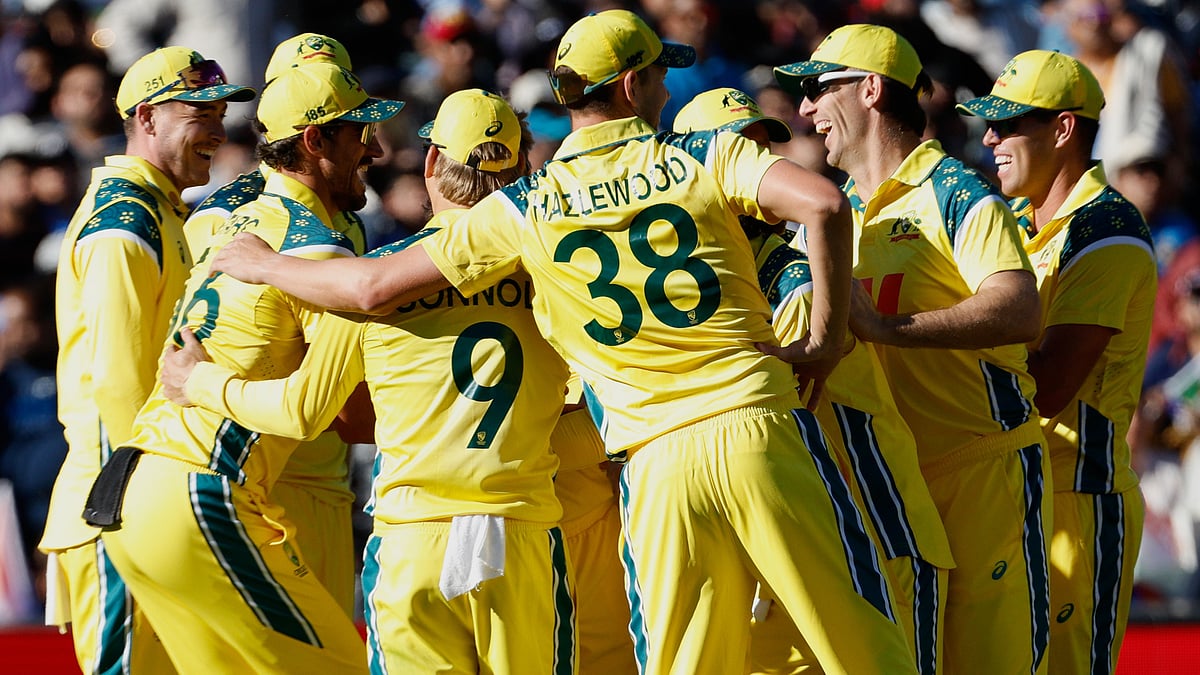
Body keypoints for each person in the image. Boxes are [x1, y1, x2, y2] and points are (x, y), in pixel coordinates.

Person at [205, 10, 919, 675]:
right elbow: (823, 205)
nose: (668, 90)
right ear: (635, 84)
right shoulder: (700, 153)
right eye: (662, 76)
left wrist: (264, 263)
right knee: (865, 651)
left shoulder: (528, 203)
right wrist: (826, 337)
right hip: (751, 426)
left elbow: (369, 291)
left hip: (651, 463)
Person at [162, 87, 579, 674]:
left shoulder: (364, 281)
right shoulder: (555, 276)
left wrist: (202, 385)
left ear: (432, 163)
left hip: (412, 539)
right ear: (523, 169)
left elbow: (309, 412)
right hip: (524, 531)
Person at [86, 62, 401, 673]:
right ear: (315, 142)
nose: (377, 149)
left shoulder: (230, 227)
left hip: (134, 492)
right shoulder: (318, 252)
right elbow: (314, 414)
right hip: (204, 492)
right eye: (359, 133)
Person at [776, 23, 1052, 675]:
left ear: (871, 89)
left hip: (980, 474)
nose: (805, 109)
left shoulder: (956, 191)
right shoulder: (831, 212)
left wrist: (891, 330)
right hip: (887, 489)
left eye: (817, 89)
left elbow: (1020, 307)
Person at [674, 86, 954, 675]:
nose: (759, 166)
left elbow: (794, 418)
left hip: (874, 534)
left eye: (763, 147)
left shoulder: (795, 274)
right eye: (739, 151)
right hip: (803, 549)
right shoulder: (729, 280)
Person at [35, 46, 253, 674]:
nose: (217, 128)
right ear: (148, 117)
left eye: (221, 112)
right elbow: (117, 381)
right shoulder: (126, 223)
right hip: (119, 506)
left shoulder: (157, 211)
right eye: (199, 112)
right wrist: (142, 497)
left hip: (135, 501)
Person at [957, 49, 1154, 674]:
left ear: (1063, 129)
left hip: (1078, 494)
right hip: (1007, 485)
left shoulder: (1109, 230)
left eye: (1008, 123)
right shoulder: (1011, 219)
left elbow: (1047, 388)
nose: (990, 138)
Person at [181, 31, 366, 618]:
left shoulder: (213, 210)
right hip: (287, 465)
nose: (370, 144)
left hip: (223, 460)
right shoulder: (322, 232)